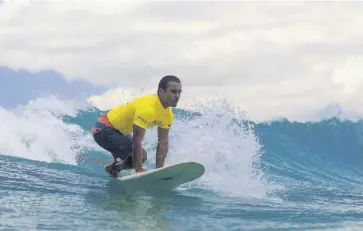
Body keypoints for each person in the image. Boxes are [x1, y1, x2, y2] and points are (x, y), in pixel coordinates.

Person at [90, 75, 182, 178]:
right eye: (173, 91)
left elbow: (163, 143)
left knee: (134, 158)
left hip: (117, 132)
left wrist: (159, 171)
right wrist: (139, 170)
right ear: (161, 91)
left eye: (179, 92)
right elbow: (137, 139)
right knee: (141, 156)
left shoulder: (168, 114)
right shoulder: (147, 108)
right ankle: (113, 168)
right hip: (103, 129)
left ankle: (113, 169)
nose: (177, 96)